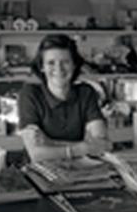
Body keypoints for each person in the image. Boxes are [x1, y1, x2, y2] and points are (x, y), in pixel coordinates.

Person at [18, 34, 109, 162]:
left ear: (74, 65)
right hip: (38, 173)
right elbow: (36, 154)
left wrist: (49, 142)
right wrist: (83, 148)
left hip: (79, 169)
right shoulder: (30, 94)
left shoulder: (86, 93)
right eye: (51, 63)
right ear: (41, 67)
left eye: (65, 62)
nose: (58, 69)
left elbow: (103, 146)